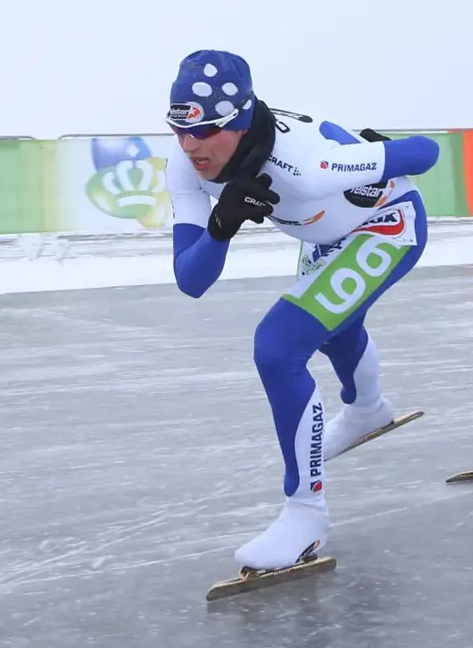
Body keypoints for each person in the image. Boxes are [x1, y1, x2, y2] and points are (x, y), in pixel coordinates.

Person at [164, 49, 440, 571]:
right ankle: (367, 410)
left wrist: (377, 152)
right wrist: (220, 228)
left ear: (240, 123)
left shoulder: (308, 165)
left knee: (278, 347)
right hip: (325, 237)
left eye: (205, 131)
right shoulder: (184, 166)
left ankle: (306, 516)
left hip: (386, 225)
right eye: (179, 130)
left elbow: (426, 152)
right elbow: (191, 280)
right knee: (333, 327)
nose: (189, 145)